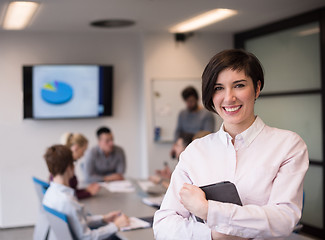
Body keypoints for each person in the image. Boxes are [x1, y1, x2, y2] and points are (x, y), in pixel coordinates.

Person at [153, 49, 309, 239]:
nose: (229, 98)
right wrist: (215, 235)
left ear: (257, 88)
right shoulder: (196, 151)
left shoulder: (287, 145)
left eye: (239, 85)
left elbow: (282, 220)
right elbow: (164, 224)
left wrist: (208, 210)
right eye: (218, 88)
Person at [43, 144, 130, 239]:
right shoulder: (67, 201)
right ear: (69, 167)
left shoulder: (49, 194)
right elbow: (87, 237)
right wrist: (116, 226)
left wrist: (104, 218)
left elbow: (78, 220)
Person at [59, 132, 100, 199]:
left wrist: (85, 190)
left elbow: (71, 190)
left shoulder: (67, 163)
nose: (83, 155)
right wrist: (89, 193)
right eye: (83, 151)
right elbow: (68, 195)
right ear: (76, 148)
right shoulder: (65, 167)